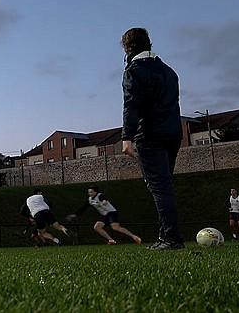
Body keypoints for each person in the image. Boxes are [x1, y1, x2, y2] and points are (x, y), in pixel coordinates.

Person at [120, 27, 185, 250]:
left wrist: (127, 137)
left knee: (159, 188)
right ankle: (166, 235)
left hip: (150, 135)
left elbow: (131, 104)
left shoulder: (133, 71)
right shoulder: (170, 72)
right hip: (173, 133)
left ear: (127, 48)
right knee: (165, 186)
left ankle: (171, 238)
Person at [67, 186, 142, 245]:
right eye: (88, 192)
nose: (89, 193)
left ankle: (134, 237)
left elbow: (104, 201)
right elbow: (83, 208)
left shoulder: (100, 195)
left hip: (111, 213)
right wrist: (74, 215)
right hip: (105, 215)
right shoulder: (90, 199)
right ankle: (111, 240)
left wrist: (101, 203)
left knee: (116, 228)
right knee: (97, 227)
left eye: (91, 192)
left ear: (95, 192)